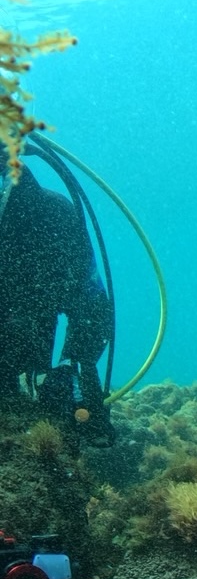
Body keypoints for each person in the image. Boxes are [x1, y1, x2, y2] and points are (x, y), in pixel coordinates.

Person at [0, 152, 113, 443]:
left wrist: (73, 367)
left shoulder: (52, 214)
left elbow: (93, 304)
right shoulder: (52, 211)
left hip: (27, 337)